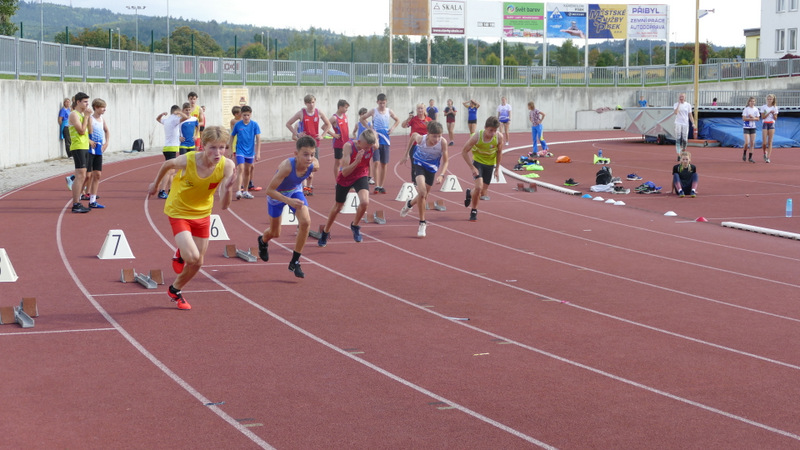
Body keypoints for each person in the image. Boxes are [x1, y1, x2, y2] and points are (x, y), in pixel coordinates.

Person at [147, 126, 237, 310]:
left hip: (202, 214)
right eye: (213, 147)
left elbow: (224, 206)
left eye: (222, 148)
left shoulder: (227, 166)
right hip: (179, 211)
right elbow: (167, 164)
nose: (217, 153)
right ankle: (181, 252)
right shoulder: (188, 160)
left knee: (198, 263)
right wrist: (155, 185)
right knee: (193, 256)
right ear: (203, 146)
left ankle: (175, 290)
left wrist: (228, 189)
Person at [257, 136, 320, 279]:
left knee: (305, 222)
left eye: (312, 154)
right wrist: (289, 201)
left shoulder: (314, 165)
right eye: (305, 154)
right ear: (296, 154)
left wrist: (293, 198)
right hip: (277, 195)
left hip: (294, 191)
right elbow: (269, 190)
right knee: (275, 233)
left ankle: (295, 261)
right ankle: (263, 241)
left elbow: (315, 163)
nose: (309, 158)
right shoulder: (287, 166)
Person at [317, 129, 378, 247]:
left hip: (361, 174)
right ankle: (325, 231)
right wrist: (356, 161)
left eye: (369, 147)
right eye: (365, 147)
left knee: (365, 202)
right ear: (359, 142)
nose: (367, 150)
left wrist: (374, 135)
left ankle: (355, 225)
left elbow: (375, 139)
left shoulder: (372, 145)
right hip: (346, 177)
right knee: (338, 207)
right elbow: (344, 172)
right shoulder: (348, 147)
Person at [399, 121, 449, 238]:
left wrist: (442, 175)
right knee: (422, 192)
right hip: (419, 164)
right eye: (434, 136)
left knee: (424, 196)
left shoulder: (443, 142)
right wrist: (406, 154)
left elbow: (446, 161)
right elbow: (413, 136)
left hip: (431, 168)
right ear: (428, 134)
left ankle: (409, 204)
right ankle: (422, 223)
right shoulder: (421, 139)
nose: (437, 139)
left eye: (439, 136)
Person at [285, 94, 332, 196]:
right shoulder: (301, 113)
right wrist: (297, 134)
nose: (311, 104)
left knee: (312, 167)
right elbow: (288, 124)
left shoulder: (319, 112)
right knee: (303, 166)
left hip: (315, 143)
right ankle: (304, 188)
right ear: (305, 103)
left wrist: (323, 135)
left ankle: (309, 187)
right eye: (309, 103)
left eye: (313, 102)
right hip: (304, 143)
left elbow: (328, 124)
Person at [461, 116, 504, 222]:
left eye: (495, 130)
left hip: (490, 164)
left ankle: (470, 193)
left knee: (483, 192)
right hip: (478, 163)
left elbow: (499, 152)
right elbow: (464, 151)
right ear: (485, 128)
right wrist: (472, 168)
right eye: (490, 130)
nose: (492, 133)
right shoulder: (477, 136)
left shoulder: (499, 137)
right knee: (479, 187)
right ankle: (474, 211)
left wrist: (497, 168)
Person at [360, 93, 400, 194]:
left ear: (386, 102)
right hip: (376, 140)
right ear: (377, 102)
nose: (382, 105)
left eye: (384, 103)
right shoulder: (374, 111)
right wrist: (369, 128)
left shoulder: (389, 111)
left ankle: (381, 186)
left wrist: (392, 128)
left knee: (384, 164)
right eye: (380, 103)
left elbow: (397, 120)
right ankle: (377, 185)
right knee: (376, 162)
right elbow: (362, 118)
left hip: (386, 140)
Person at [156, 105, 190, 199]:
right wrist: (179, 113)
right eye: (179, 112)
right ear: (176, 112)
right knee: (169, 171)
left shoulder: (167, 120)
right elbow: (186, 117)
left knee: (172, 171)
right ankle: (162, 191)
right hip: (171, 148)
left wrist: (161, 114)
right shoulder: (174, 119)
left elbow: (158, 119)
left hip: (169, 148)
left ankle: (170, 190)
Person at [229, 105, 261, 199]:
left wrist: (258, 152)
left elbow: (258, 139)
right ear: (241, 115)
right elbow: (232, 136)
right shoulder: (238, 125)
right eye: (244, 115)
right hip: (240, 150)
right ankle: (239, 191)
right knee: (241, 168)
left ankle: (246, 191)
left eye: (248, 115)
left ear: (250, 114)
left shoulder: (254, 125)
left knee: (247, 171)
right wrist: (230, 149)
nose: (246, 117)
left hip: (250, 152)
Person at [67, 92, 92, 214]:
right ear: (78, 102)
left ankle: (78, 201)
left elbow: (90, 131)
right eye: (85, 102)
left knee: (84, 175)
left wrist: (88, 117)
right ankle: (76, 203)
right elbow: (81, 131)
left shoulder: (83, 115)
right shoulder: (74, 114)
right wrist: (86, 117)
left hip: (85, 146)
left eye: (88, 102)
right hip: (78, 147)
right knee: (80, 175)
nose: (87, 104)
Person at [86, 98, 109, 209]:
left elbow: (107, 131)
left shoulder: (102, 119)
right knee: (87, 175)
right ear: (96, 107)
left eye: (105, 107)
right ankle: (78, 193)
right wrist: (89, 141)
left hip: (99, 149)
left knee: (98, 175)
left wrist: (106, 143)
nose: (104, 109)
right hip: (90, 149)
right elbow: (85, 132)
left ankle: (92, 200)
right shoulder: (90, 119)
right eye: (102, 107)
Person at [330, 99, 350, 179]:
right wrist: (333, 134)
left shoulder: (345, 115)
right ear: (340, 107)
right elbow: (324, 127)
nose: (346, 109)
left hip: (346, 142)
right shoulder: (334, 118)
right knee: (338, 162)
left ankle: (345, 178)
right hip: (338, 143)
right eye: (345, 108)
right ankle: (337, 180)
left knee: (346, 161)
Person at [673, 93, 693, 161]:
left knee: (685, 138)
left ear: (685, 97)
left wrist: (693, 123)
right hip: (678, 123)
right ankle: (678, 154)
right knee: (678, 138)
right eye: (680, 96)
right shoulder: (676, 104)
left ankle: (683, 151)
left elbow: (690, 115)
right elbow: (676, 112)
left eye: (682, 97)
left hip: (685, 123)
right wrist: (679, 104)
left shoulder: (688, 105)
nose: (681, 98)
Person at [760, 94, 778, 163]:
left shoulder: (775, 107)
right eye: (768, 99)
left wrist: (773, 114)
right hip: (765, 123)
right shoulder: (763, 107)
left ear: (773, 100)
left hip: (771, 124)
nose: (769, 100)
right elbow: (763, 117)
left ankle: (768, 157)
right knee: (764, 143)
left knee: (770, 141)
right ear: (766, 99)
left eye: (770, 99)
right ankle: (765, 152)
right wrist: (769, 112)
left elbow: (775, 118)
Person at [742, 96, 760, 163]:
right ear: (749, 102)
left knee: (752, 143)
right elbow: (744, 118)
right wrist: (750, 118)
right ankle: (744, 153)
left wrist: (753, 118)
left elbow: (758, 119)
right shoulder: (746, 109)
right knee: (747, 142)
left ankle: (750, 157)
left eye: (753, 101)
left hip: (753, 127)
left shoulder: (756, 109)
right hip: (746, 127)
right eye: (751, 101)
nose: (752, 102)